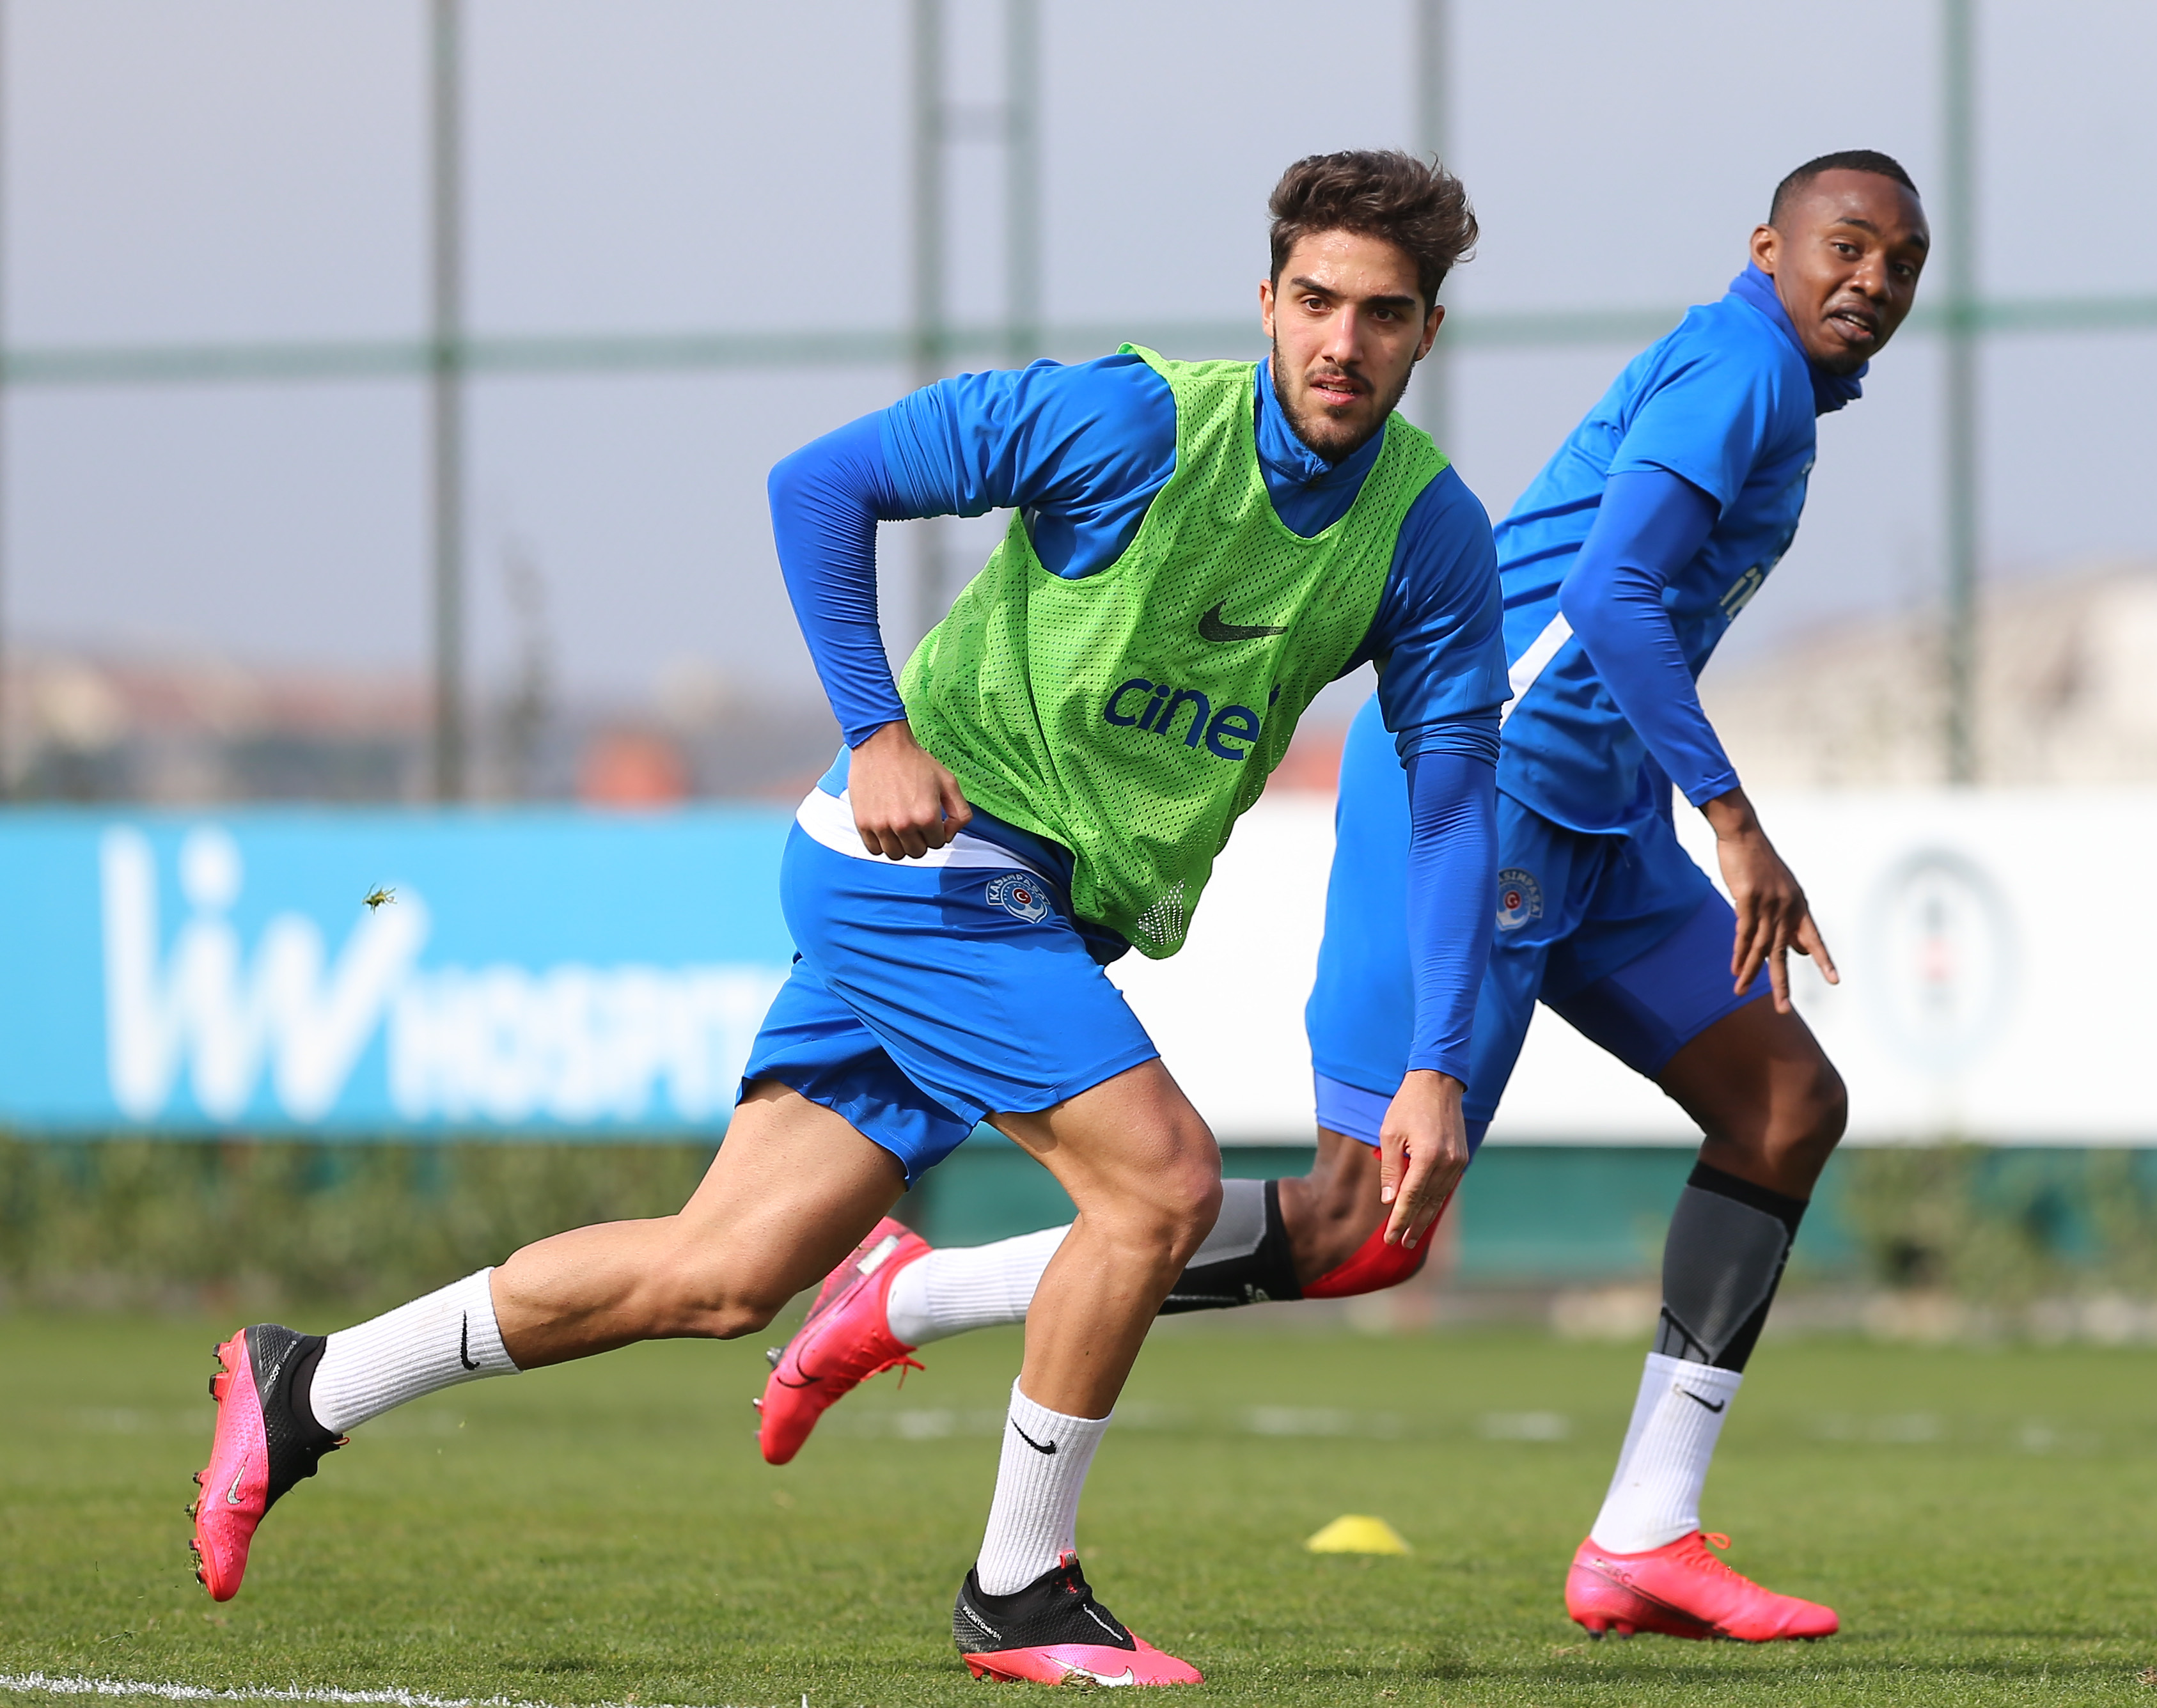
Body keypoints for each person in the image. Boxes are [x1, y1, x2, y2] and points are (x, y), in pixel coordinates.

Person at [187, 148, 1510, 1690]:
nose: (1341, 341)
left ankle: (309, 1383)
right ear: (1264, 300)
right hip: (926, 865)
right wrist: (874, 730)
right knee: (1158, 1183)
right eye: (1314, 301)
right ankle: (1020, 1585)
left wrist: (1434, 1060)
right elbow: (818, 483)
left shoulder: (1425, 531)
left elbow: (1450, 800)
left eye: (1381, 314)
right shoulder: (1129, 421)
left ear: (1426, 333)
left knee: (719, 1273)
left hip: (1036, 912)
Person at [759, 151, 1931, 1648]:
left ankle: (1644, 1534)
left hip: (1601, 810)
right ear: (1767, 248)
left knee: (1782, 1105)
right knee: (1359, 1229)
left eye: (1899, 263)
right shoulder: (1742, 374)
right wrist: (1736, 823)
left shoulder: (1768, 389)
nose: (1869, 281)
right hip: (1498, 798)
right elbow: (1610, 596)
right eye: (1845, 246)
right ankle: (907, 1298)